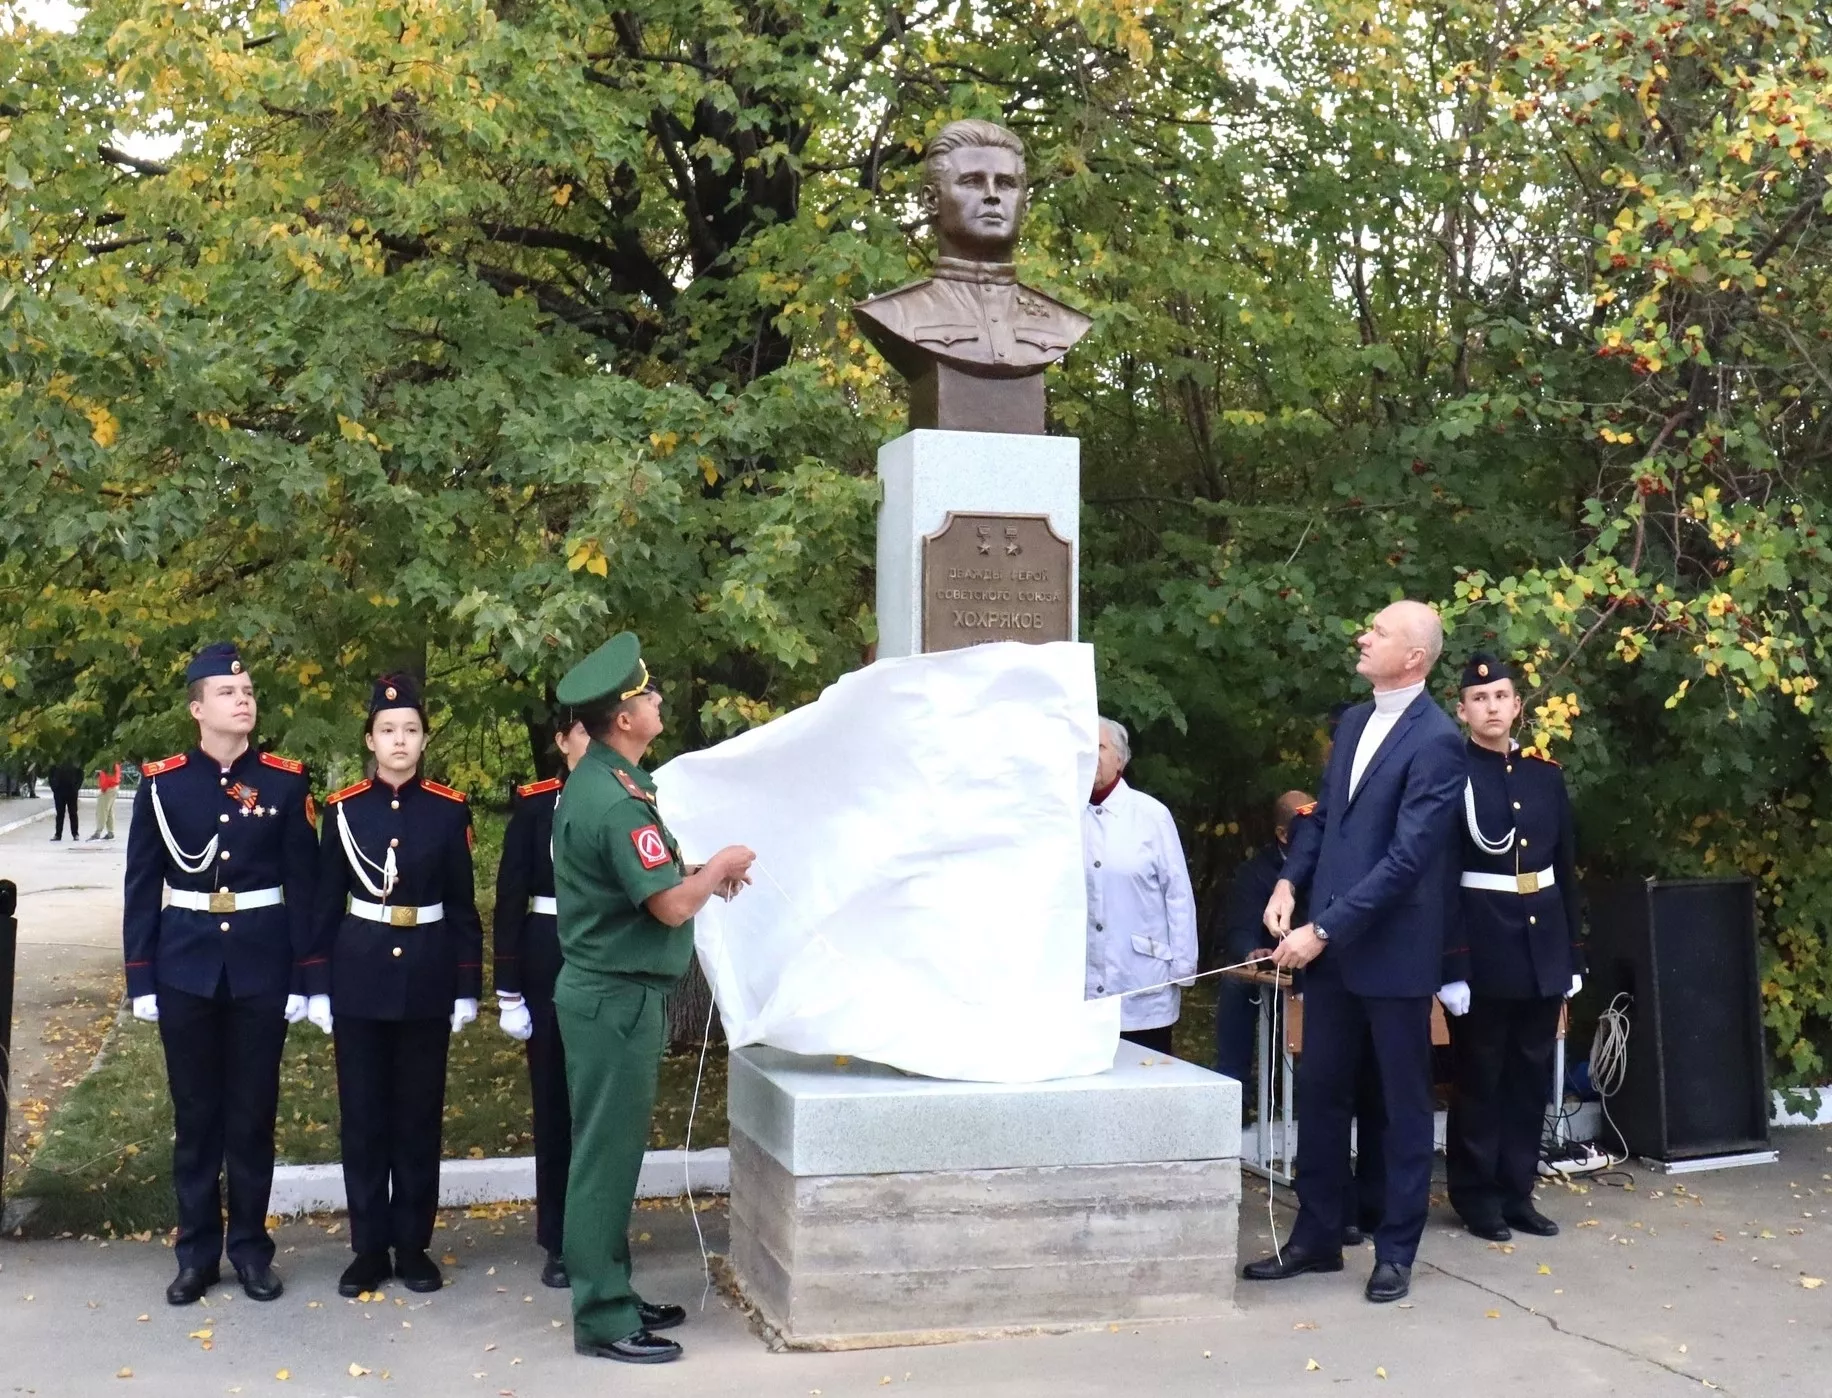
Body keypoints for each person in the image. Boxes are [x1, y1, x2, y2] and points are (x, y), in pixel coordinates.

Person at [1244, 600, 1465, 1304]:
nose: (1362, 636)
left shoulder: (1438, 740)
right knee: (1322, 1092)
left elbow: (1406, 860)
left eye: (1379, 632)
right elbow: (1325, 819)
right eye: (1365, 625)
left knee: (1401, 1105)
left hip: (1391, 954)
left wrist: (1324, 928)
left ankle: (1395, 1249)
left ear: (1414, 657)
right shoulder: (1352, 719)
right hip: (1332, 951)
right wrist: (1287, 882)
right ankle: (1317, 1235)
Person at [549, 632, 755, 1364]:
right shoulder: (613, 799)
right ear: (624, 717)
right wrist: (718, 867)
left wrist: (696, 872)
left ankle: (613, 1290)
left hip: (613, 995)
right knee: (604, 1159)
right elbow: (667, 906)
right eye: (647, 694)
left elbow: (648, 881)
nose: (659, 699)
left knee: (613, 1153)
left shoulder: (616, 784)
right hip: (614, 999)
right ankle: (602, 1315)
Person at [122, 642, 320, 1305]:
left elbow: (305, 886)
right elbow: (142, 886)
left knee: (253, 1117)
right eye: (230, 693)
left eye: (250, 692)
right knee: (197, 1118)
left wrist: (305, 978)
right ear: (197, 707)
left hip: (261, 968)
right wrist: (142, 979)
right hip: (186, 968)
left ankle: (252, 1252)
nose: (245, 700)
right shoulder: (164, 783)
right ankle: (196, 1255)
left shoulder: (287, 783)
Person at [310, 673, 483, 1299]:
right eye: (388, 731)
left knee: (417, 1117)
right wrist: (318, 985)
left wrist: (468, 987)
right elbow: (326, 904)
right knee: (363, 1118)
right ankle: (367, 1248)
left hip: (428, 974)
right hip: (359, 974)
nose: (400, 740)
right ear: (370, 740)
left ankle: (412, 1245)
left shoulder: (448, 808)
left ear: (424, 739)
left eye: (410, 730)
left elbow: (463, 907)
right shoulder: (344, 809)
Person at [1440, 654, 1586, 1242]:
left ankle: (1516, 1192)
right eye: (1480, 698)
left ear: (1517, 705)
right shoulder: (1453, 775)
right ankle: (1476, 1197)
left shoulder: (1544, 774)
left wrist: (1572, 953)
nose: (1492, 706)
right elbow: (1445, 877)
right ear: (1463, 710)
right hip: (1484, 947)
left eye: (1501, 696)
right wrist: (1452, 966)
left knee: (1529, 1077)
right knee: (1481, 1078)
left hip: (1541, 946)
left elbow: (1567, 868)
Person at [493, 715, 594, 1288]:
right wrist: (507, 986)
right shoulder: (538, 807)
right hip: (548, 959)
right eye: (581, 733)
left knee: (600, 1110)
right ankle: (558, 1239)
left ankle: (601, 1232)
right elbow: (510, 896)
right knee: (555, 1104)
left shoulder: (629, 799)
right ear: (560, 742)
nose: (591, 745)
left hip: (605, 960)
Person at [1083, 717, 1198, 1056]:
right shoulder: (1064, 819)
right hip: (1081, 989)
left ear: (1120, 758)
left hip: (1142, 982)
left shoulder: (1151, 816)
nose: (1091, 755)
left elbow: (1178, 894)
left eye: (1100, 747)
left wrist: (1183, 969)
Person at [1214, 790, 1315, 1085]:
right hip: (1274, 967)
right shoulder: (1255, 872)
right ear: (1283, 835)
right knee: (1234, 984)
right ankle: (1237, 1093)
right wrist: (1251, 951)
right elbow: (1239, 927)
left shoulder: (1334, 863)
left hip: (1324, 962)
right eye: (1305, 826)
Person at [48, 761, 81, 841]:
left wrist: (76, 787)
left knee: (73, 813)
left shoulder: (74, 758)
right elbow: (50, 773)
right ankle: (58, 834)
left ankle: (75, 834)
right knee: (59, 814)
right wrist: (54, 787)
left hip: (71, 790)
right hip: (59, 790)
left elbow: (80, 773)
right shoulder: (57, 758)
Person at [90, 760, 122, 840]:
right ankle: (110, 832)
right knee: (109, 811)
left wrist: (103, 788)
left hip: (108, 788)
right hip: (114, 787)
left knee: (102, 811)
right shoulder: (115, 763)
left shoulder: (108, 764)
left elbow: (105, 777)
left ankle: (98, 832)